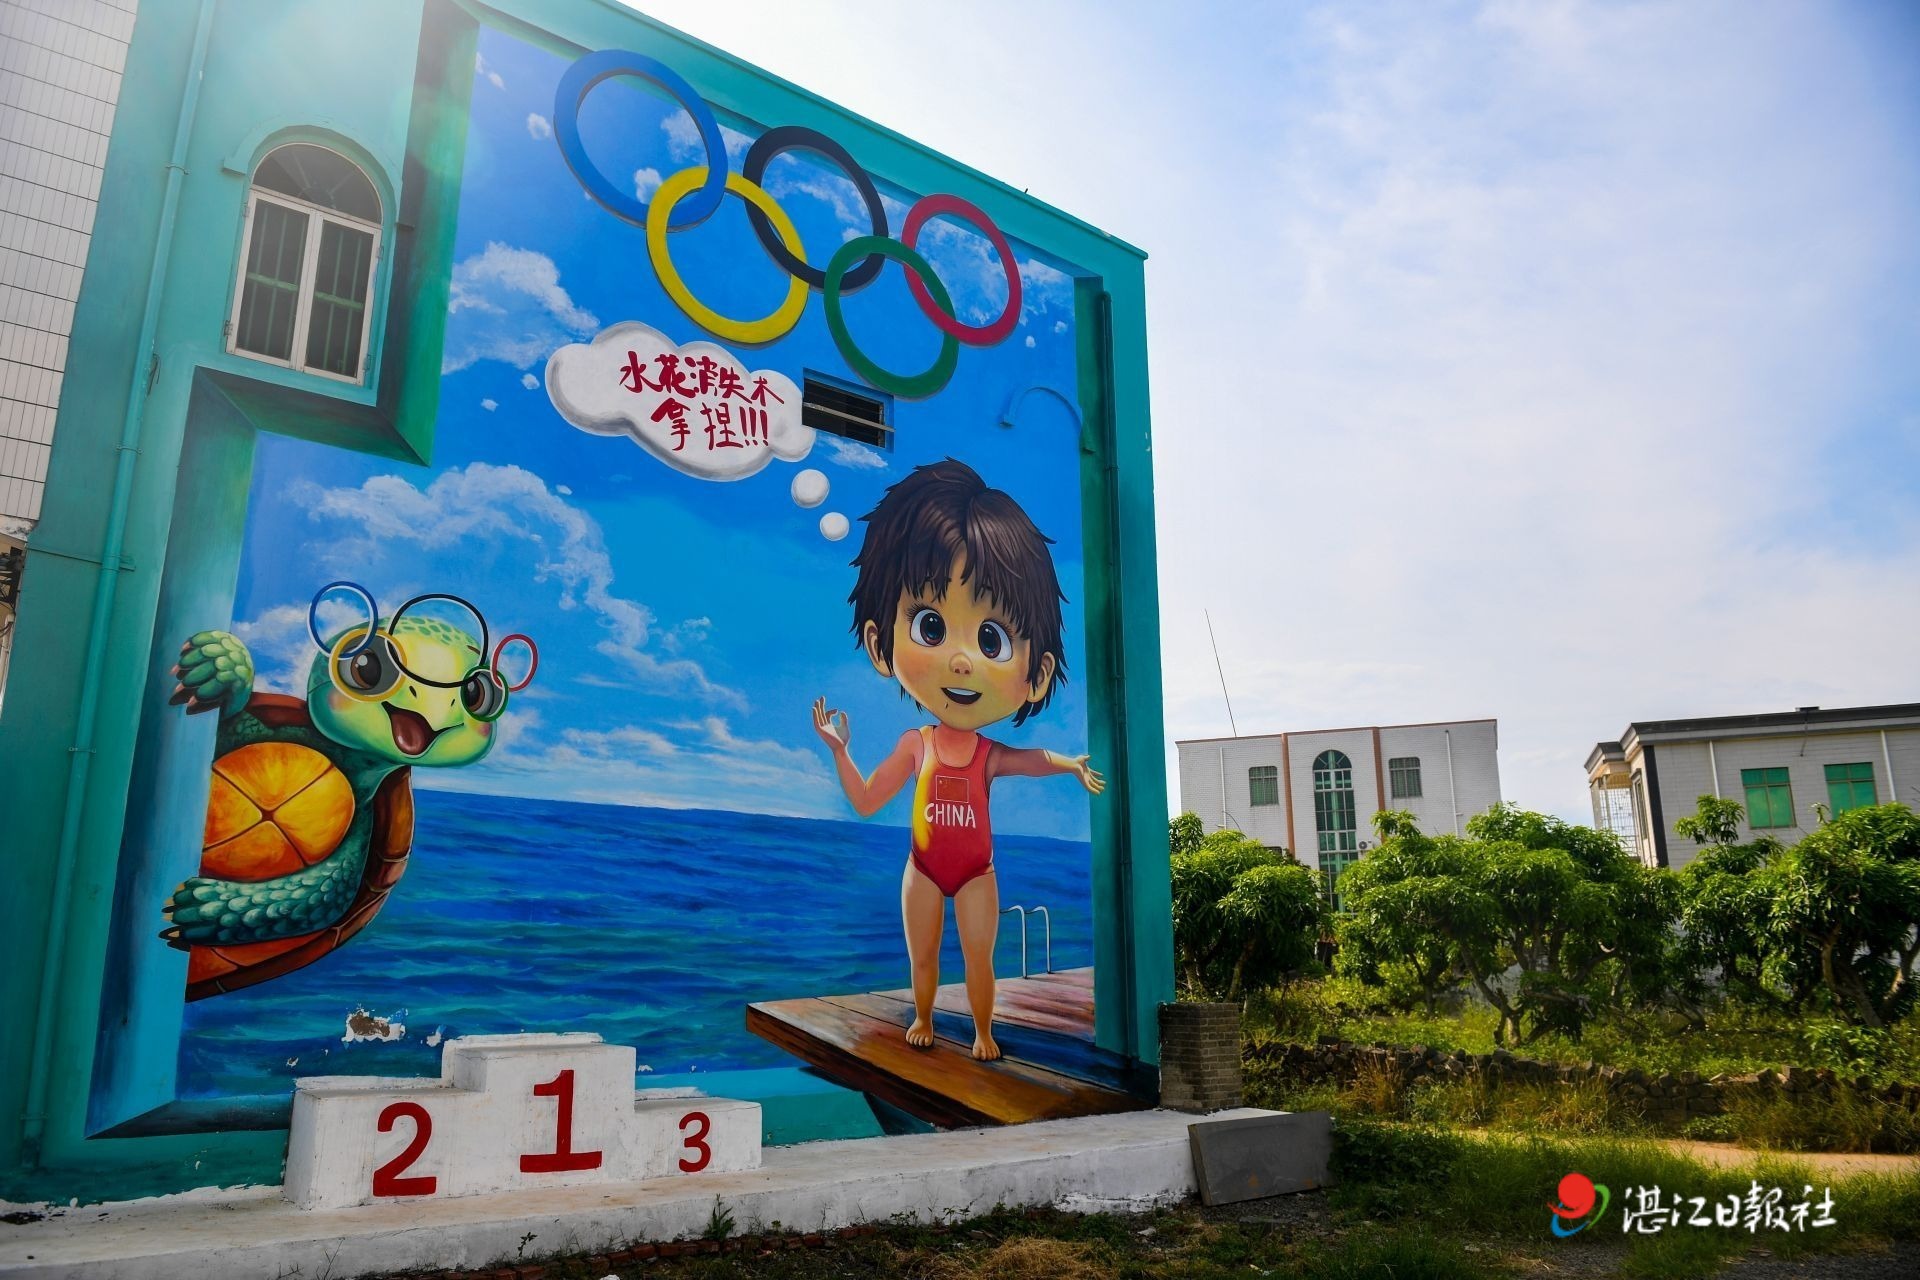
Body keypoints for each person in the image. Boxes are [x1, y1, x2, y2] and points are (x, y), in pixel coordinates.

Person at [811, 459, 1103, 1061]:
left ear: (1037, 675)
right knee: (922, 957)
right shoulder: (915, 744)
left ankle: (983, 1031)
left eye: (991, 639)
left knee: (978, 957)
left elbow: (1029, 760)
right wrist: (840, 751)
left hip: (977, 873)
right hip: (922, 869)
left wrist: (1070, 764)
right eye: (931, 626)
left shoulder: (987, 754)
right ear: (880, 645)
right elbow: (866, 800)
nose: (963, 660)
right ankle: (923, 1017)